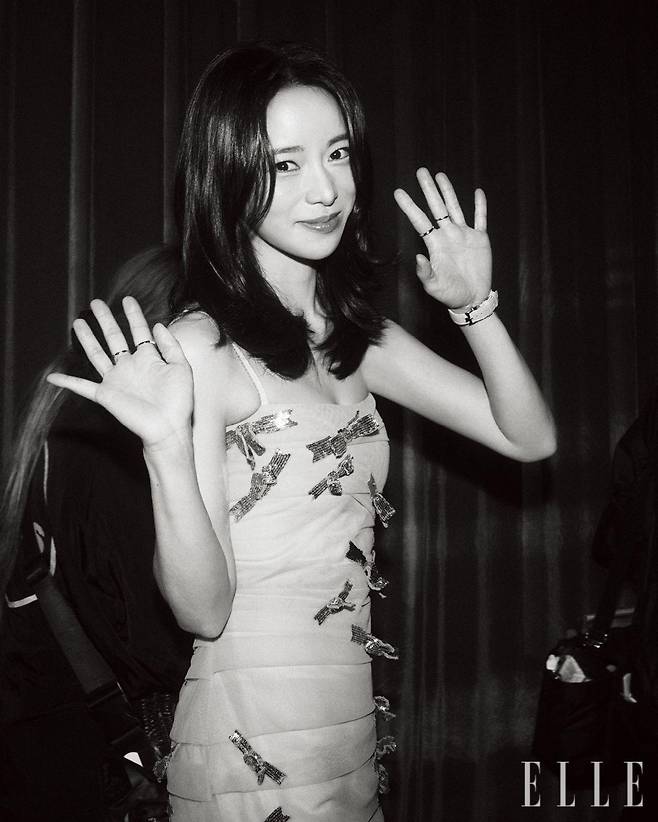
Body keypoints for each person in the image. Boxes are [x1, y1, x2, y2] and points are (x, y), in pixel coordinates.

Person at [47, 42, 556, 822]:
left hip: (349, 733)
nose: (325, 189)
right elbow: (203, 612)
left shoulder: (359, 337)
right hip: (249, 737)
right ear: (227, 176)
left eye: (338, 153)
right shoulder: (201, 347)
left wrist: (474, 308)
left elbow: (529, 438)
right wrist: (165, 449)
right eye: (284, 165)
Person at [0, 245, 193, 822]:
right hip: (86, 746)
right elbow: (145, 632)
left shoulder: (71, 404)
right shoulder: (114, 430)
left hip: (47, 725)